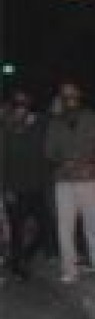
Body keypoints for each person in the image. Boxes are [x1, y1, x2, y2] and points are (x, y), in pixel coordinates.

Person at [44, 82, 95, 283]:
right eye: (65, 95)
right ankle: (70, 269)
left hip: (88, 179)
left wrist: (94, 163)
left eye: (73, 94)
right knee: (65, 227)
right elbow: (48, 152)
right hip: (64, 180)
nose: (69, 98)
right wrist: (63, 161)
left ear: (79, 96)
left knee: (94, 226)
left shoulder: (94, 119)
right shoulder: (55, 123)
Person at [1, 91, 49, 281]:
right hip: (15, 189)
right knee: (16, 230)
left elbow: (52, 119)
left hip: (36, 188)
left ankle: (22, 258)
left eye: (25, 106)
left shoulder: (38, 127)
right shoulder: (6, 130)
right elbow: (3, 162)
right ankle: (18, 266)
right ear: (13, 108)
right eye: (18, 106)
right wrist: (6, 189)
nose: (21, 109)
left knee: (46, 227)